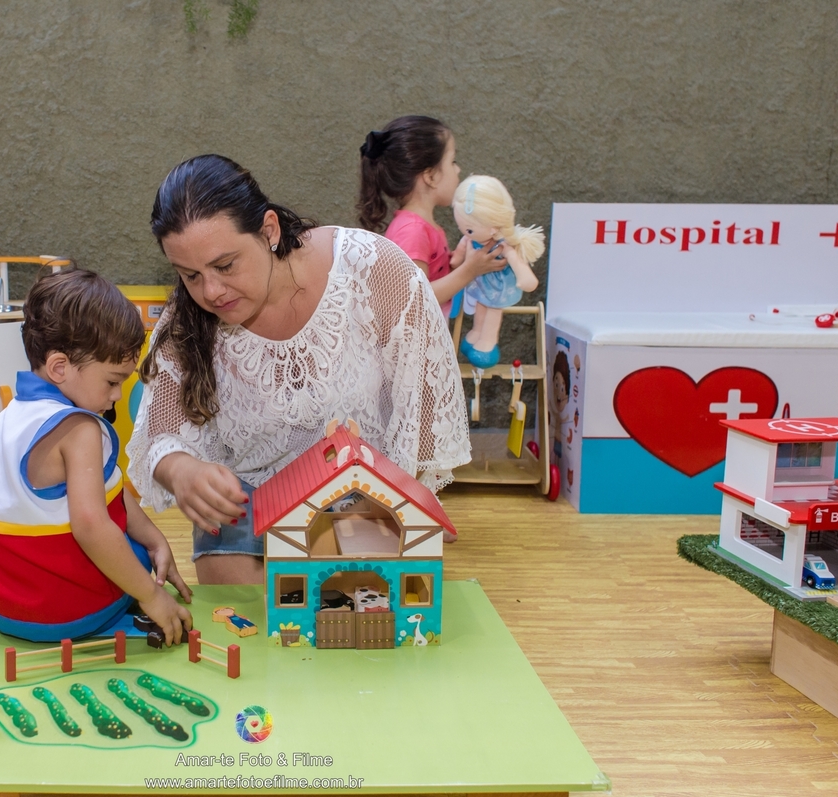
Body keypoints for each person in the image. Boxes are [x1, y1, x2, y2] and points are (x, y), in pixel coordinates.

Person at [128, 154, 471, 585]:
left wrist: (403, 500)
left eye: (225, 265)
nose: (210, 291)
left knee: (349, 606)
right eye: (190, 275)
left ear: (268, 230)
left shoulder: (372, 269)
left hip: (365, 495)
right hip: (248, 501)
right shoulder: (189, 315)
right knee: (246, 614)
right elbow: (159, 430)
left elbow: (425, 405)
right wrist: (180, 470)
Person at [0, 269, 193, 644]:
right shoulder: (79, 429)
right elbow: (91, 526)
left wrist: (154, 538)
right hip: (66, 614)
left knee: (133, 541)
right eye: (112, 381)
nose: (117, 395)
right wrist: (151, 595)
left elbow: (107, 492)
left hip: (3, 610)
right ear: (60, 367)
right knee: (125, 551)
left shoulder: (8, 419)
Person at [357, 115, 507, 320]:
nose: (458, 169)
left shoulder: (422, 226)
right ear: (430, 176)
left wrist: (456, 265)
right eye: (452, 161)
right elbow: (413, 299)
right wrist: (469, 271)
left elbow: (427, 280)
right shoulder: (412, 230)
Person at [453, 174, 545, 368]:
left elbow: (519, 266)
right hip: (479, 283)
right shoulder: (469, 240)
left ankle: (487, 342)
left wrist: (525, 277)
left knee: (493, 312)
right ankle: (477, 333)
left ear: (494, 228)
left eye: (468, 229)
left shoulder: (504, 247)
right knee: (480, 308)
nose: (465, 233)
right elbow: (457, 258)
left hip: (498, 287)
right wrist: (454, 261)